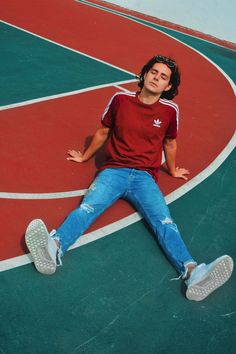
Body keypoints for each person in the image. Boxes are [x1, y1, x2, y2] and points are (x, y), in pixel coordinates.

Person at [25, 55, 233, 301]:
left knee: (164, 222)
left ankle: (192, 272)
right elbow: (103, 132)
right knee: (87, 208)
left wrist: (173, 169)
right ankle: (53, 248)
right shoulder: (120, 100)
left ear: (168, 87)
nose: (157, 77)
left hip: (145, 178)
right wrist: (84, 157)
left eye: (163, 77)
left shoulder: (169, 110)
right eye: (153, 72)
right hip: (114, 171)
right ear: (144, 75)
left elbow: (170, 142)